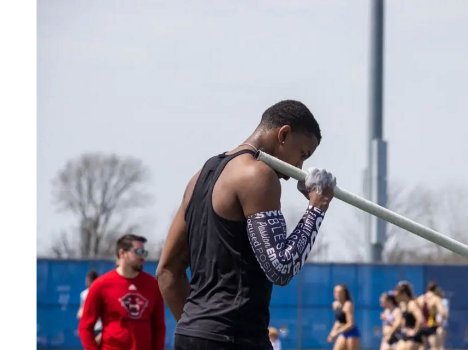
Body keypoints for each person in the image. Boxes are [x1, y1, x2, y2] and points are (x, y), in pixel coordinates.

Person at [156, 100, 336, 349]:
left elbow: (167, 272)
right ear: (283, 134)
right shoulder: (258, 175)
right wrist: (318, 206)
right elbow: (281, 268)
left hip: (191, 334)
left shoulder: (198, 178)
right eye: (302, 154)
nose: (299, 167)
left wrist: (200, 329)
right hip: (236, 337)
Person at [78, 234, 166, 350]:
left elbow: (159, 327)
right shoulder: (100, 285)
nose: (143, 257)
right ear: (122, 253)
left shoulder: (153, 285)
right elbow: (85, 327)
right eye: (139, 252)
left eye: (144, 253)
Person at [327, 284, 361, 350]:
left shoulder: (348, 304)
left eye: (339, 292)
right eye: (335, 292)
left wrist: (336, 333)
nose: (337, 294)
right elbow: (338, 321)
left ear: (344, 293)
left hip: (352, 334)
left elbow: (351, 324)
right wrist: (331, 333)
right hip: (343, 333)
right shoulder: (335, 304)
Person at [416, 281, 448, 350]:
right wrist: (441, 323)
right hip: (431, 325)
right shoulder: (436, 299)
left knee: (422, 347)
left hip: (421, 327)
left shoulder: (420, 298)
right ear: (436, 289)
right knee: (435, 347)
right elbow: (443, 313)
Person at [394, 282, 424, 350]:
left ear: (403, 294)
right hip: (405, 337)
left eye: (397, 295)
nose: (396, 297)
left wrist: (414, 332)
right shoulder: (403, 305)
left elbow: (420, 320)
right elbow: (404, 321)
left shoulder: (412, 304)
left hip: (413, 340)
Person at [77, 270, 102, 344]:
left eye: (88, 280)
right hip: (89, 328)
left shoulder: (101, 293)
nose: (86, 282)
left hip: (100, 327)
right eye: (86, 280)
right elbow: (81, 311)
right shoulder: (84, 294)